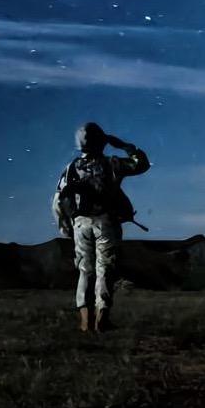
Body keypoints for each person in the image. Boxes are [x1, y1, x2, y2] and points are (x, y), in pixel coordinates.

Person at [52, 122, 150, 333]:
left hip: (80, 224)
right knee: (105, 270)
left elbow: (58, 200)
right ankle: (102, 319)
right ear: (101, 142)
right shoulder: (112, 164)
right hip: (106, 222)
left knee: (85, 271)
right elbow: (142, 164)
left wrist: (65, 226)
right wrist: (126, 146)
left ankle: (85, 321)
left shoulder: (70, 169)